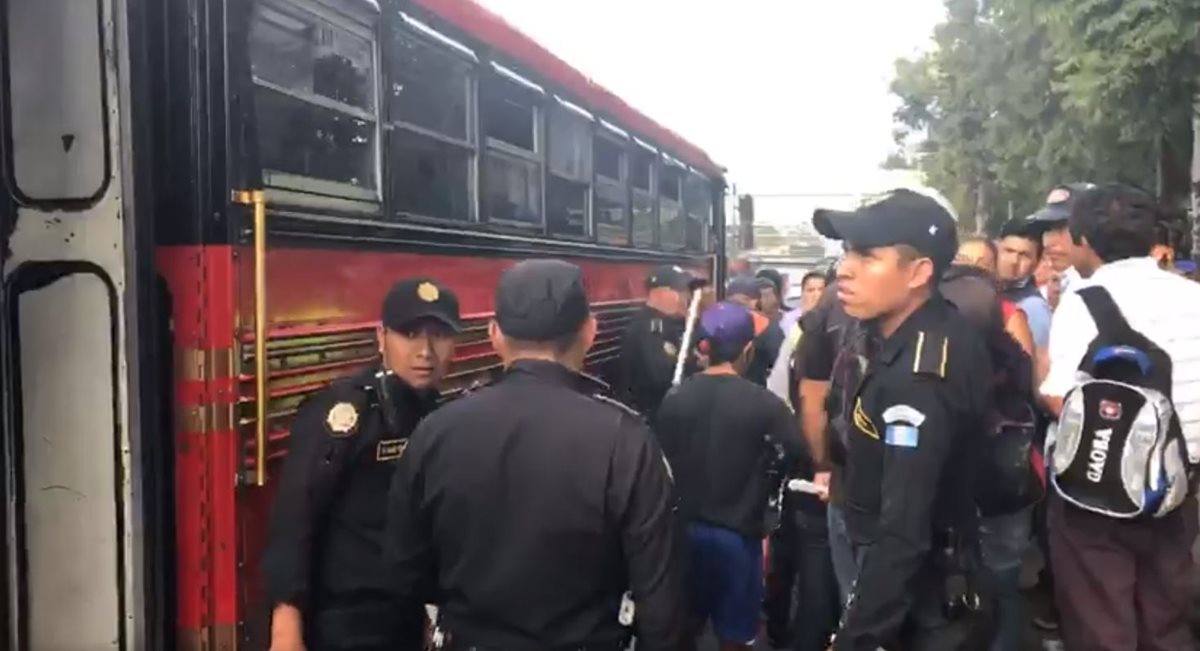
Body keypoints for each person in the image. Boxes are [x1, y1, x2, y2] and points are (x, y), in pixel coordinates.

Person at [386, 259, 686, 651]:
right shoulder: (626, 440)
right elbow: (661, 602)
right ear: (589, 331)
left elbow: (404, 572)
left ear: (494, 334)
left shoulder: (435, 432)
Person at [811, 189, 994, 650]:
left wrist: (855, 638)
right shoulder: (921, 332)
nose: (844, 269)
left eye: (867, 256)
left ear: (918, 272)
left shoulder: (920, 376)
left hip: (922, 600)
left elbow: (903, 532)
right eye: (846, 252)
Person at [1039, 185, 1200, 651]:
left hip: (1098, 489)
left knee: (1101, 621)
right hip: (1178, 485)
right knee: (1165, 617)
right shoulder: (1193, 297)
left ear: (1084, 240)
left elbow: (1060, 399)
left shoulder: (1083, 301)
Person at [262, 278, 461, 651]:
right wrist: (286, 627)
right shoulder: (346, 413)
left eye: (438, 335)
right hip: (344, 620)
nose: (425, 351)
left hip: (402, 617)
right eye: (410, 334)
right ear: (381, 337)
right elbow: (295, 518)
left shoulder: (434, 413)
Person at [653, 301, 805, 651]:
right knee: (735, 636)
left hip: (681, 533)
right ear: (747, 349)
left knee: (684, 627)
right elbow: (795, 453)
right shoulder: (765, 405)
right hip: (738, 538)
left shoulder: (675, 398)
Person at [617, 264, 704, 419]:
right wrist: (695, 365)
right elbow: (662, 379)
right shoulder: (650, 328)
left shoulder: (666, 323)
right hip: (652, 416)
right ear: (662, 292)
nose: (686, 297)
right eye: (681, 291)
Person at [1027, 183, 1096, 303]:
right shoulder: (1043, 297)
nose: (1047, 243)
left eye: (1060, 229)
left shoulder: (1123, 288)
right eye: (1047, 230)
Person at [768, 271, 828, 403]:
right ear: (802, 293)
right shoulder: (788, 322)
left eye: (821, 290)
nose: (816, 295)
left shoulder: (835, 322)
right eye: (810, 290)